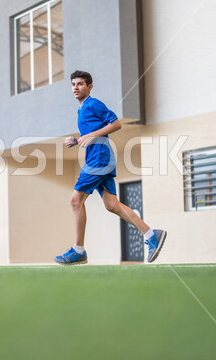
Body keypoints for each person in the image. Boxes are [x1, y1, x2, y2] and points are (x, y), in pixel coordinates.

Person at [54, 70, 166, 265]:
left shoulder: (93, 103)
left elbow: (115, 123)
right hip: (96, 156)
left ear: (89, 87)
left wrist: (93, 135)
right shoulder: (82, 109)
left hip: (99, 158)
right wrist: (78, 139)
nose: (76, 88)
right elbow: (91, 134)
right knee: (111, 205)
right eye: (73, 84)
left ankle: (78, 250)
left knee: (75, 200)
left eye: (80, 84)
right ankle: (151, 234)